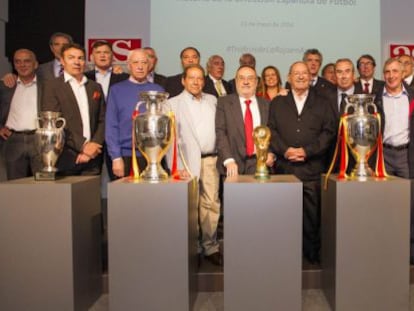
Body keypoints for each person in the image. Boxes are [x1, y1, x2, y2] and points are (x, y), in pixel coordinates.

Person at [268, 61, 336, 264]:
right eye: (296, 73)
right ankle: (284, 255)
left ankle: (310, 255)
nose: (300, 76)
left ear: (310, 77)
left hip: (312, 168)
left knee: (311, 216)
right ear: (288, 77)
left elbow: (328, 132)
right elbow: (272, 130)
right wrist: (285, 151)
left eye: (304, 73)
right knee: (283, 214)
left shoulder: (323, 103)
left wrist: (307, 152)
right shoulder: (277, 103)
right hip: (284, 168)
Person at [166, 64, 222, 266]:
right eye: (192, 78)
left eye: (200, 78)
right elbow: (169, 139)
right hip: (185, 163)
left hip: (210, 160)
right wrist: (175, 166)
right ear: (183, 80)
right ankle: (192, 249)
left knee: (211, 204)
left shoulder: (213, 100)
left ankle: (210, 247)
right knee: (189, 206)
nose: (196, 82)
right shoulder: (171, 104)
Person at [42, 43, 105, 175]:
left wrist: (94, 145)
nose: (77, 62)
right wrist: (83, 146)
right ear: (62, 61)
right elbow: (55, 123)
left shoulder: (95, 87)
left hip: (93, 157)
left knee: (90, 195)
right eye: (71, 58)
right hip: (66, 157)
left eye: (80, 58)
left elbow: (102, 119)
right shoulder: (52, 86)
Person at [374, 58, 414, 263]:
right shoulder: (376, 98)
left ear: (403, 73)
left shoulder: (412, 96)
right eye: (387, 71)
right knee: (385, 204)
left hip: (406, 156)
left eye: (395, 71)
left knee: (409, 205)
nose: (391, 75)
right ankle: (386, 249)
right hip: (384, 157)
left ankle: (409, 253)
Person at [105, 48, 164, 178]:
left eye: (144, 63)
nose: (140, 66)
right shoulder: (116, 90)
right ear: (128, 65)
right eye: (136, 62)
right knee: (125, 198)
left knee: (152, 198)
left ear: (149, 65)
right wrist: (115, 157)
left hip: (153, 156)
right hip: (125, 156)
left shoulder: (158, 91)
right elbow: (111, 125)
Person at [215, 65, 275, 177]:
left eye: (250, 78)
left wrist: (270, 153)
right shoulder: (224, 103)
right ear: (236, 81)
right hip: (232, 166)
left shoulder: (267, 104)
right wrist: (228, 160)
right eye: (241, 78)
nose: (246, 82)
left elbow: (272, 132)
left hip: (261, 165)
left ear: (256, 82)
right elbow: (220, 133)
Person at [0, 49, 43, 180]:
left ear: (35, 64)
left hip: (39, 140)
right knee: (15, 186)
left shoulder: (46, 85)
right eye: (18, 62)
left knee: (44, 184)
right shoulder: (6, 85)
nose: (22, 65)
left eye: (27, 61)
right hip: (13, 140)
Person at [2, 32, 73, 87]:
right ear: (51, 47)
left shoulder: (79, 68)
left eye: (64, 44)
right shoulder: (40, 69)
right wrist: (10, 77)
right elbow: (24, 79)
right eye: (57, 44)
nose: (60, 48)